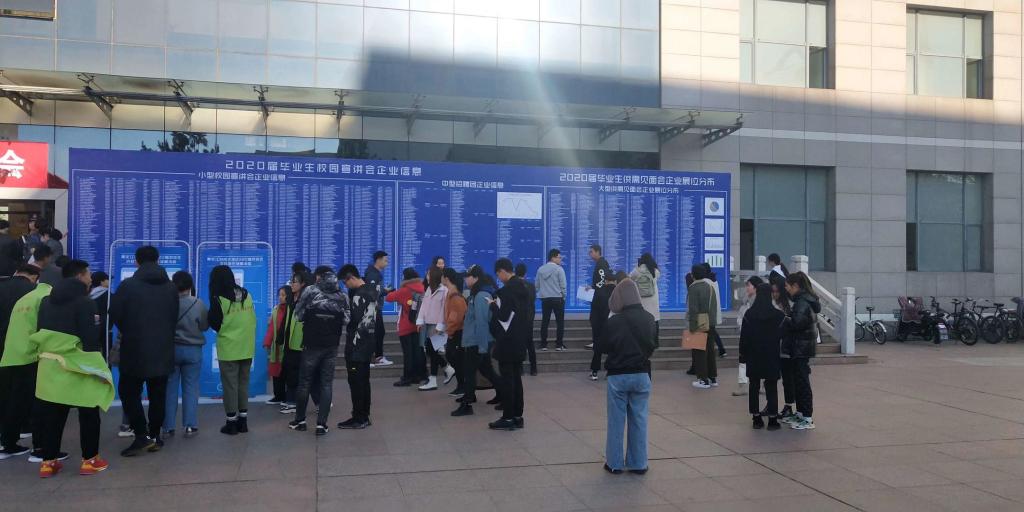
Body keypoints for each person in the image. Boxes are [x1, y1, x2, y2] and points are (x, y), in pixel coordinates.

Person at [33, 259, 113, 477]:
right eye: (88, 274)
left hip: (51, 366)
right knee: (89, 413)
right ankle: (90, 460)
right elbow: (90, 339)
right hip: (78, 365)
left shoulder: (46, 301)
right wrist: (98, 367)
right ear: (79, 276)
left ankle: (48, 463)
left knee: (53, 416)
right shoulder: (85, 302)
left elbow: (41, 330)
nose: (90, 279)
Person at [109, 246, 177, 457]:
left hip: (134, 348)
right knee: (158, 395)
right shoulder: (170, 287)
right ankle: (155, 435)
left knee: (129, 392)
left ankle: (141, 435)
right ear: (158, 260)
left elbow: (115, 313)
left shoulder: (128, 285)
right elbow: (173, 316)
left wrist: (130, 330)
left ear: (136, 262)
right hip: (163, 349)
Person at [598, 278, 655, 475]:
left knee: (616, 421)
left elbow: (603, 346)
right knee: (639, 419)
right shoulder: (649, 318)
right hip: (642, 374)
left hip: (618, 375)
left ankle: (614, 464)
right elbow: (653, 345)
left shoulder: (614, 321)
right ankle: (639, 463)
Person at [289, 266, 350, 435]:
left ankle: (300, 421)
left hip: (311, 344)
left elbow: (298, 315)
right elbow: (347, 320)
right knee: (326, 384)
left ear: (320, 280)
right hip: (331, 345)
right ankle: (321, 425)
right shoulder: (342, 296)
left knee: (304, 382)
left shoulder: (310, 291)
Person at [0, 264, 43, 459]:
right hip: (25, 351)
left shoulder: (2, 287)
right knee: (29, 395)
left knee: (7, 396)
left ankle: (7, 440)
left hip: (5, 352)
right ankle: (32, 437)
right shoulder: (33, 292)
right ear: (34, 277)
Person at [208, 265, 257, 436]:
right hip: (246, 347)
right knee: (243, 384)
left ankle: (231, 423)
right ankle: (243, 422)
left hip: (229, 348)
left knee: (230, 386)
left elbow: (214, 323)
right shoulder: (247, 295)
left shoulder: (218, 299)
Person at [163, 271, 208, 438]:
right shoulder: (198, 303)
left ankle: (168, 426)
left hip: (171, 350)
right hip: (193, 350)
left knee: (170, 389)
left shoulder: (167, 303)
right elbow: (204, 326)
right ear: (190, 286)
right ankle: (190, 425)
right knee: (191, 388)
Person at [453, 265, 501, 416]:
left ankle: (467, 404)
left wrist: (482, 346)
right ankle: (503, 393)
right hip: (477, 340)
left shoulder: (480, 295)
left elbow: (482, 322)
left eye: (467, 277)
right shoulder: (477, 294)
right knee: (486, 370)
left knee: (469, 372)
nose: (465, 280)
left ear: (475, 278)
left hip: (477, 341)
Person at [488, 258, 530, 431]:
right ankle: (518, 416)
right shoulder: (525, 288)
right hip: (520, 339)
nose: (498, 278)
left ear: (503, 271)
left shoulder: (505, 292)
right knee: (517, 379)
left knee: (507, 380)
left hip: (507, 341)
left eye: (498, 274)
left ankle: (507, 417)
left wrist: (493, 306)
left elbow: (503, 317)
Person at [739, 283, 784, 431]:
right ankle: (772, 419)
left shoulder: (749, 314)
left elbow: (744, 337)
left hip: (753, 354)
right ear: (770, 295)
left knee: (754, 386)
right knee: (771, 386)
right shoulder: (778, 315)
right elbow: (783, 335)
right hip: (772, 354)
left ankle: (756, 418)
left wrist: (742, 356)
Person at [338, 264, 377, 430]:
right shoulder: (371, 290)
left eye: (345, 282)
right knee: (364, 381)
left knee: (356, 382)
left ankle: (359, 417)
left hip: (356, 345)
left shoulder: (358, 295)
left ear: (351, 277)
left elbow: (350, 320)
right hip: (368, 343)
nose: (345, 286)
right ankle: (364, 415)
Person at [780, 272, 818, 430]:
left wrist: (784, 319)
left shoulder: (802, 302)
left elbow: (797, 323)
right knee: (798, 381)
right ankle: (801, 414)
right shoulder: (802, 300)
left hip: (801, 347)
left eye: (787, 286)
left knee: (802, 382)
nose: (786, 289)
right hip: (800, 346)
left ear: (795, 286)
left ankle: (807, 418)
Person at [386, 268, 426, 387]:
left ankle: (407, 377)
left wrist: (390, 291)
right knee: (417, 352)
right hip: (418, 325)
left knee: (408, 354)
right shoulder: (423, 288)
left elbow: (389, 298)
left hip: (406, 325)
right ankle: (418, 376)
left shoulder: (405, 290)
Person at [279, 270, 310, 414]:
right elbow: (286, 320)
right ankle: (291, 401)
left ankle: (295, 403)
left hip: (300, 344)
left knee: (298, 375)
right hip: (289, 343)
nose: (291, 284)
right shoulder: (292, 299)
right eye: (291, 281)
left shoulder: (306, 300)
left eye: (294, 282)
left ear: (303, 284)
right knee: (289, 373)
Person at [416, 266, 452, 391]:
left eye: (429, 274)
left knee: (432, 351)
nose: (427, 277)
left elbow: (444, 310)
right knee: (432, 351)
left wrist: (440, 326)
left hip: (437, 326)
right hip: (428, 324)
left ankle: (437, 376)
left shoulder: (444, 290)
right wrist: (420, 321)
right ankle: (444, 371)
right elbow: (424, 306)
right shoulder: (428, 289)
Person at [687, 264, 718, 389]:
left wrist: (692, 326)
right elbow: (714, 306)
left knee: (699, 352)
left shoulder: (693, 288)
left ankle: (703, 380)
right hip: (710, 322)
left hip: (699, 323)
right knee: (710, 351)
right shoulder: (710, 286)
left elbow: (693, 309)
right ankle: (712, 378)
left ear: (693, 275)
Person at [732, 276, 764, 397]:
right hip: (745, 337)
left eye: (749, 285)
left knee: (760, 361)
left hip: (758, 337)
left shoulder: (762, 302)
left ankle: (762, 385)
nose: (746, 288)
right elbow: (740, 316)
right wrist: (741, 325)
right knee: (743, 361)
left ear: (756, 287)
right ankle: (743, 386)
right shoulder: (746, 301)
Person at [264, 285, 295, 405]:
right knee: (276, 372)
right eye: (279, 295)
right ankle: (278, 396)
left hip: (288, 347)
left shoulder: (292, 309)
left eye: (283, 295)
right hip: (277, 347)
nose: (280, 297)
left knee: (287, 373)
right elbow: (272, 328)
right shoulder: (276, 310)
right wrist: (267, 341)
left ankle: (288, 397)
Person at [441, 268, 468, 398]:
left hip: (457, 332)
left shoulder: (455, 296)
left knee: (456, 359)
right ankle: (461, 385)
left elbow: (456, 317)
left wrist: (449, 331)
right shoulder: (450, 294)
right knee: (454, 358)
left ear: (446, 278)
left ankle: (463, 386)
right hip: (454, 331)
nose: (440, 279)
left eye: (442, 276)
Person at [364, 251, 393, 368]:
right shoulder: (372, 274)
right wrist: (385, 291)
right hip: (372, 308)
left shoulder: (375, 273)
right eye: (385, 260)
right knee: (375, 333)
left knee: (379, 332)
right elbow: (372, 292)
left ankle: (377, 357)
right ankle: (372, 358)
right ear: (378, 260)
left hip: (376, 307)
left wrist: (384, 291)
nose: (387, 263)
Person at [589, 271, 617, 381]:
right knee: (613, 349)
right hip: (613, 324)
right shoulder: (618, 292)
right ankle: (610, 372)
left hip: (599, 325)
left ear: (605, 281)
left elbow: (593, 308)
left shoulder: (599, 292)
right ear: (615, 281)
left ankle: (594, 372)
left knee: (598, 349)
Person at [536, 249, 567, 351]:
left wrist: (542, 294)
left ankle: (543, 344)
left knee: (545, 321)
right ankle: (559, 344)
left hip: (545, 299)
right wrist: (564, 297)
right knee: (560, 322)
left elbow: (537, 285)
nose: (560, 259)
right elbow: (563, 286)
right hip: (558, 298)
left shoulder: (540, 269)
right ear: (553, 258)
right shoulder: (559, 269)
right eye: (559, 257)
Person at [630, 253, 661, 349]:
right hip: (653, 299)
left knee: (642, 321)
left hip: (642, 300)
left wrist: (637, 266)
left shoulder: (637, 271)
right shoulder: (655, 271)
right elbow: (658, 277)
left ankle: (642, 341)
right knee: (655, 320)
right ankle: (655, 342)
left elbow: (629, 277)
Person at [585, 244, 611, 351]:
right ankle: (598, 341)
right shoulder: (601, 263)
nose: (590, 254)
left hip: (600, 299)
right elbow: (600, 282)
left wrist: (594, 290)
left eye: (591, 252)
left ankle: (598, 342)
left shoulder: (601, 264)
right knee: (597, 320)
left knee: (596, 320)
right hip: (601, 297)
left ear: (597, 252)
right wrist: (592, 287)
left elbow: (601, 282)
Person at [514, 263, 537, 375]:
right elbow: (533, 301)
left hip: (518, 319)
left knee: (519, 344)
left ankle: (520, 369)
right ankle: (534, 369)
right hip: (529, 318)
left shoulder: (513, 286)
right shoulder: (531, 286)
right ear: (525, 273)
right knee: (530, 344)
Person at [701, 262, 726, 357]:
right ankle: (721, 349)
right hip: (713, 311)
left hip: (707, 312)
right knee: (712, 331)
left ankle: (720, 349)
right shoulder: (713, 280)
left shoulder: (705, 282)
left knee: (710, 331)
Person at [88, 272, 111, 359]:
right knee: (107, 352)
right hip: (106, 328)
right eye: (107, 279)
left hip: (93, 327)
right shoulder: (108, 295)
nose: (109, 281)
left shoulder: (90, 295)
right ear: (102, 282)